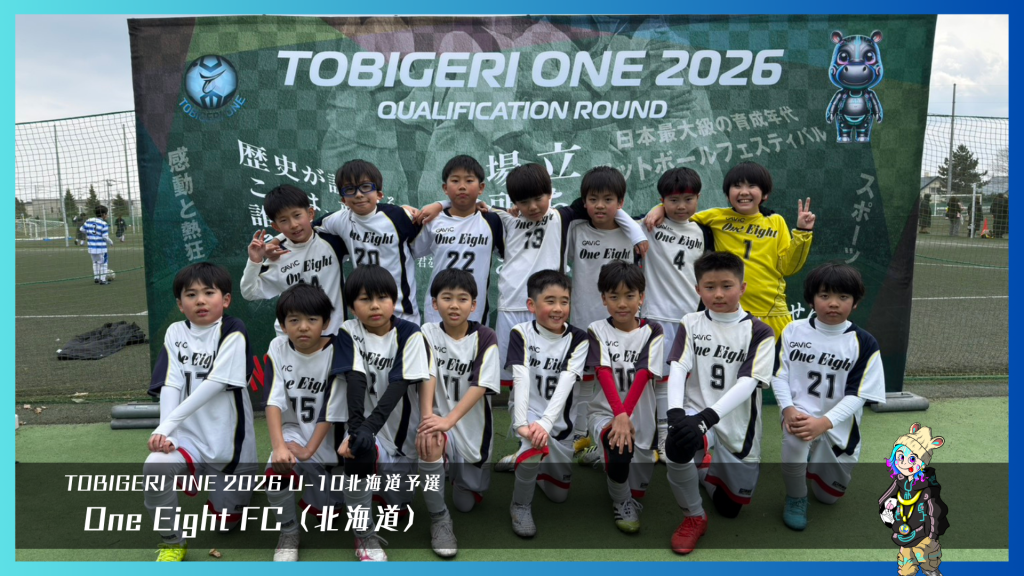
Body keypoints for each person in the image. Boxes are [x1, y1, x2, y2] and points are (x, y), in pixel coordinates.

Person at [143, 263, 258, 562]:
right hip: (189, 438)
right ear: (180, 305)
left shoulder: (233, 329)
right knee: (155, 466)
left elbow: (215, 384)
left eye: (209, 293)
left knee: (226, 523)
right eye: (191, 295)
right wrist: (167, 432)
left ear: (226, 299)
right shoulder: (175, 332)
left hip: (229, 444)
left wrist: (167, 426)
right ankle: (172, 541)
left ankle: (240, 488)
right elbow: (171, 383)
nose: (200, 300)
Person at [663, 252, 775, 555]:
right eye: (710, 287)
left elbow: (748, 383)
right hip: (696, 412)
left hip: (737, 424)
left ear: (743, 287)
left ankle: (704, 469)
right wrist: (675, 414)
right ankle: (694, 516)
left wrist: (706, 418)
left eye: (727, 286)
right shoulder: (691, 322)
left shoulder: (761, 331)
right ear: (697, 290)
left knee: (730, 508)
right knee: (677, 444)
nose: (719, 294)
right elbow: (678, 366)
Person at [326, 265, 432, 562]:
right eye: (364, 299)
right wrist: (357, 431)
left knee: (399, 508)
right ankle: (363, 534)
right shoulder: (348, 330)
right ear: (352, 307)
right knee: (358, 451)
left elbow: (398, 385)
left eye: (382, 297)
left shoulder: (411, 332)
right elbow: (355, 380)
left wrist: (367, 428)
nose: (374, 305)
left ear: (394, 301)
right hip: (368, 429)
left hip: (401, 434)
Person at [773, 262, 886, 531]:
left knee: (828, 497)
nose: (833, 303)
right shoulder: (793, 330)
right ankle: (796, 497)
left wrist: (823, 423)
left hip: (837, 425)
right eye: (824, 295)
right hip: (799, 412)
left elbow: (858, 396)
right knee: (795, 436)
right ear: (811, 299)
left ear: (855, 303)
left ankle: (814, 464)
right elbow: (778, 375)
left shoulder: (864, 342)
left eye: (843, 297)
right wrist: (788, 409)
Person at [647, 161, 815, 341]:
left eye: (752, 186)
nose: (744, 192)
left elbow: (788, 268)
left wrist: (803, 232)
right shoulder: (715, 217)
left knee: (770, 360)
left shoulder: (776, 221)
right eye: (737, 186)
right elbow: (680, 213)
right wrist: (659, 209)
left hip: (771, 313)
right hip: (727, 314)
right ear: (727, 194)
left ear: (765, 193)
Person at [263, 283, 351, 561]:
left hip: (333, 439)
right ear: (282, 325)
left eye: (312, 319)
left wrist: (310, 450)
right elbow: (273, 400)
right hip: (297, 432)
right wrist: (279, 447)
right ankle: (289, 532)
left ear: (326, 322)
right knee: (275, 468)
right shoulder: (278, 347)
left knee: (334, 514)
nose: (303, 327)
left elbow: (333, 406)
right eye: (294, 320)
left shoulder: (340, 347)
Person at [417, 269, 501, 557]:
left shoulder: (485, 336)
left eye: (462, 299)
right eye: (447, 298)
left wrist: (449, 420)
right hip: (440, 425)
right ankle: (439, 518)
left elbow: (480, 386)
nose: (454, 305)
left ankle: (455, 475)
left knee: (466, 504)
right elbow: (427, 374)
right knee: (431, 442)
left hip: (471, 431)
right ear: (434, 303)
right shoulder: (427, 332)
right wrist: (429, 421)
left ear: (474, 305)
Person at [563, 166, 642, 455]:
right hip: (583, 321)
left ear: (621, 202)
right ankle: (578, 434)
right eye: (593, 199)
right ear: (584, 202)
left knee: (616, 382)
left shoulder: (634, 232)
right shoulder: (575, 231)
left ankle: (611, 437)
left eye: (608, 199)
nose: (600, 205)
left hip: (621, 324)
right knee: (583, 380)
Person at [505, 270, 589, 538]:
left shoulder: (579, 339)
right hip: (529, 413)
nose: (558, 308)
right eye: (550, 301)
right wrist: (522, 424)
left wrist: (546, 422)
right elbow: (521, 379)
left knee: (558, 496)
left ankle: (522, 460)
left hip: (559, 422)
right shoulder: (521, 332)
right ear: (531, 305)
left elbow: (566, 383)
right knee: (533, 442)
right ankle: (520, 504)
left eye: (564, 301)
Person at [580, 261, 663, 533]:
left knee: (639, 489)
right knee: (619, 449)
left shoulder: (654, 330)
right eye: (614, 296)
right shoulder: (596, 329)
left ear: (642, 297)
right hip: (606, 413)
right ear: (604, 299)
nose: (622, 303)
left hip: (640, 416)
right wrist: (619, 416)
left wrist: (625, 416)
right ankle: (621, 501)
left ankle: (599, 453)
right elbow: (603, 371)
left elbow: (643, 374)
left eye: (630, 295)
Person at [641, 167, 714, 461]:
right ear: (662, 200)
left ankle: (680, 436)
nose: (681, 206)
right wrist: (657, 209)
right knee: (659, 380)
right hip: (656, 317)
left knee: (683, 382)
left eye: (688, 199)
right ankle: (661, 438)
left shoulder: (705, 232)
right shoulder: (648, 225)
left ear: (698, 198)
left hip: (690, 320)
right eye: (673, 200)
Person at [317, 160, 422, 323]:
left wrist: (436, 206)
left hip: (402, 312)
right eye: (350, 189)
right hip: (365, 313)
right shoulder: (340, 220)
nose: (359, 194)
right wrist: (277, 239)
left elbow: (434, 227)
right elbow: (306, 229)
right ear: (343, 200)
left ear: (379, 194)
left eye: (366, 187)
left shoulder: (398, 216)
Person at [241, 184, 348, 335]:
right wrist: (255, 261)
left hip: (334, 336)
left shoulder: (332, 241)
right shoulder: (277, 254)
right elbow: (249, 292)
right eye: (284, 220)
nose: (293, 225)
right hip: (292, 341)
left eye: (297, 215)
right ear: (276, 226)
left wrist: (278, 238)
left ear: (310, 213)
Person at [410, 155, 504, 324]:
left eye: (469, 180)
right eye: (455, 181)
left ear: (481, 187)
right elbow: (408, 252)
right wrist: (440, 205)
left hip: (475, 312)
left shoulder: (492, 221)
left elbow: (510, 252)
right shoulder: (433, 220)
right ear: (445, 188)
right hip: (437, 311)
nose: (462, 186)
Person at [80, 205, 114, 284]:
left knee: (95, 262)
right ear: (103, 214)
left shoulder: (89, 220)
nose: (107, 215)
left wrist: (89, 234)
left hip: (91, 247)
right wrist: (111, 242)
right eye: (107, 214)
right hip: (101, 248)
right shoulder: (104, 224)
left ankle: (96, 278)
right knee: (103, 264)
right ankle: (103, 280)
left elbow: (81, 229)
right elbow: (105, 237)